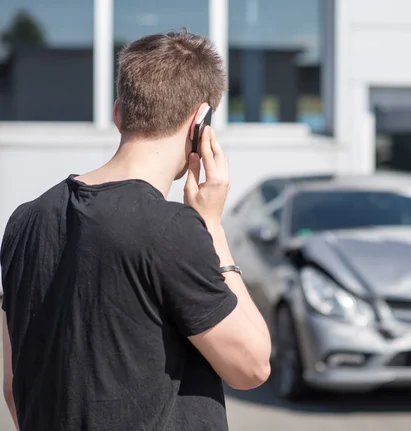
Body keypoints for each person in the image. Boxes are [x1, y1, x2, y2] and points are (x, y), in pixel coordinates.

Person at [0, 31, 271, 431]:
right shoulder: (171, 228)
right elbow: (252, 366)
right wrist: (212, 226)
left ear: (117, 114)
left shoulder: (24, 221)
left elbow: (14, 383)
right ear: (201, 122)